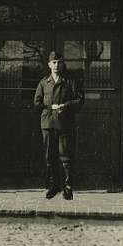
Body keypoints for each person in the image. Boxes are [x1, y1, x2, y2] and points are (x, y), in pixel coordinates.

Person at [34, 51, 84, 200]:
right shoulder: (44, 83)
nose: (56, 65)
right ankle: (53, 186)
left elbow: (80, 100)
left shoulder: (70, 82)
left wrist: (66, 106)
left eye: (59, 62)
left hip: (65, 124)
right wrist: (50, 107)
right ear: (49, 65)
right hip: (48, 123)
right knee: (50, 156)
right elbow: (36, 103)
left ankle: (68, 187)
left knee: (66, 156)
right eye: (53, 62)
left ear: (63, 64)